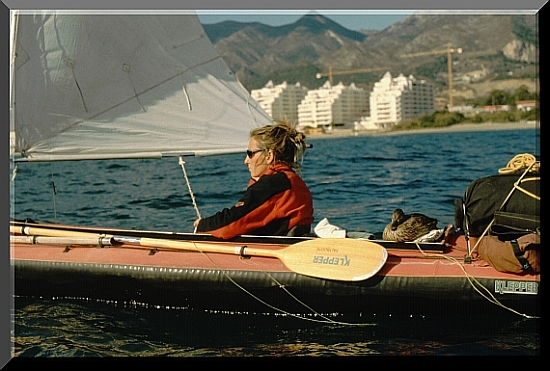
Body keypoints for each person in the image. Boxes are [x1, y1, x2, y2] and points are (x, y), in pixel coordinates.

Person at [193, 120, 314, 239]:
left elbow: (228, 225)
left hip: (274, 252)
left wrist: (202, 225)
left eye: (250, 154)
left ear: (269, 156)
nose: (246, 161)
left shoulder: (274, 184)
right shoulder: (290, 180)